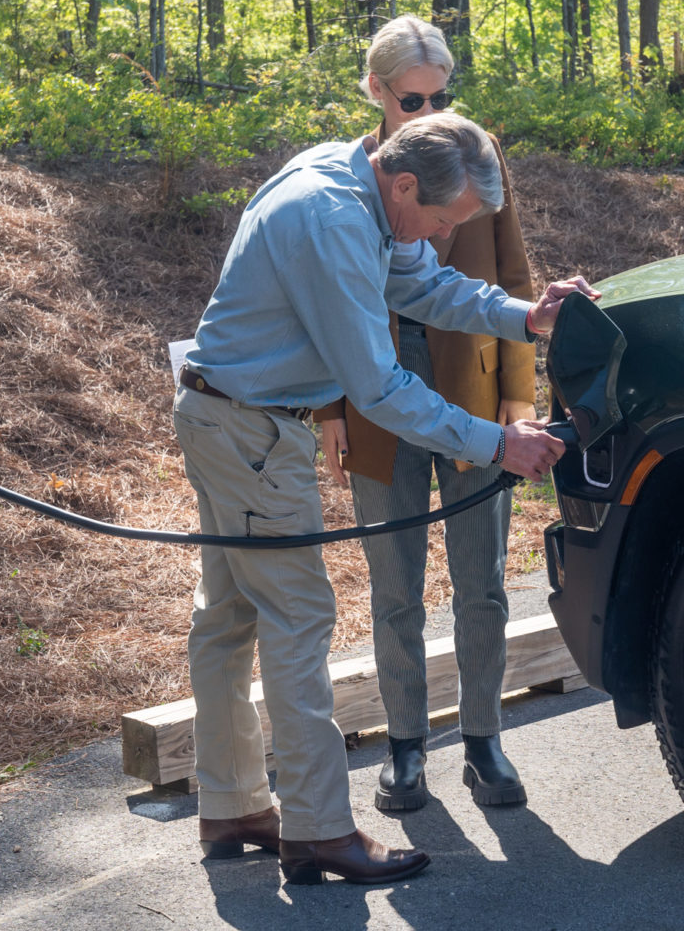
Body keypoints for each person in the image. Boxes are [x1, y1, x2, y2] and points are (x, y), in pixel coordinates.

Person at [175, 111, 595, 885]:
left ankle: (232, 805)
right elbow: (379, 388)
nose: (443, 235)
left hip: (227, 416)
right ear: (404, 184)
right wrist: (496, 442)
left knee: (229, 617)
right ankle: (318, 829)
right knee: (298, 619)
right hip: (252, 432)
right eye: (442, 220)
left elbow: (422, 284)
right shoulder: (333, 222)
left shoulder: (354, 180)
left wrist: (524, 317)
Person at [315, 15, 536, 813]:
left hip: (473, 389)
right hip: (374, 400)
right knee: (395, 585)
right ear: (377, 91)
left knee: (483, 582)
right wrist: (329, 410)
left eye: (443, 95)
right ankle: (406, 747)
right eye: (415, 99)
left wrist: (518, 393)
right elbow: (321, 306)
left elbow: (512, 273)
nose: (434, 109)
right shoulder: (351, 179)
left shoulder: (478, 152)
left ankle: (484, 739)